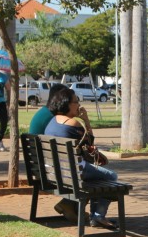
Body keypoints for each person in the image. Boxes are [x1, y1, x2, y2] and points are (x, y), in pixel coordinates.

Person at [44, 87, 119, 229]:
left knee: (97, 176)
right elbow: (90, 141)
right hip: (72, 173)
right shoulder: (73, 123)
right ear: (66, 104)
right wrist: (85, 119)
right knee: (111, 177)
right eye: (76, 101)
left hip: (55, 173)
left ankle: (70, 204)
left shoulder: (53, 121)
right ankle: (97, 217)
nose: (78, 104)